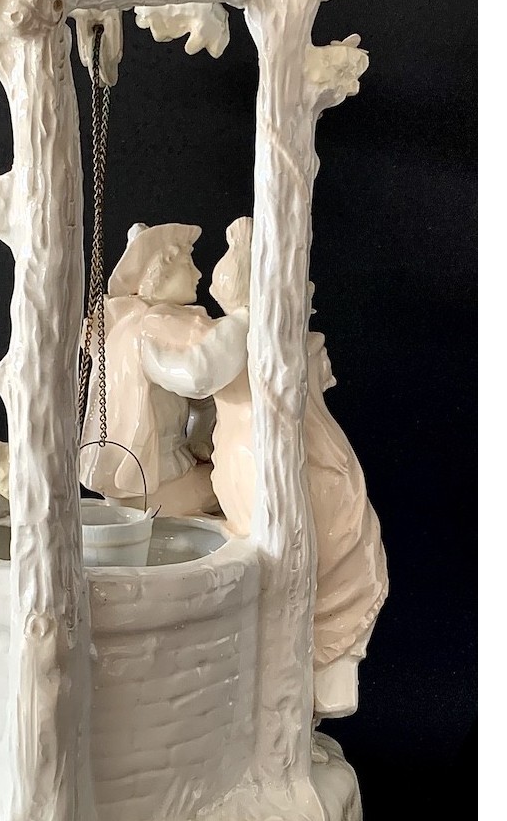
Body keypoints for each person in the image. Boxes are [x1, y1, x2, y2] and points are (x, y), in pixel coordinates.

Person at [141, 217, 388, 717]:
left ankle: (297, 695)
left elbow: (197, 379)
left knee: (304, 563)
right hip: (267, 461)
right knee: (311, 563)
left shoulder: (247, 328)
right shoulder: (259, 330)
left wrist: (150, 349)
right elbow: (204, 389)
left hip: (265, 461)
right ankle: (298, 690)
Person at [78, 223, 219, 516]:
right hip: (151, 481)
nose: (198, 274)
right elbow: (196, 378)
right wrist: (239, 326)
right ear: (159, 273)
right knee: (233, 484)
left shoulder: (130, 321)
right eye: (187, 264)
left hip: (149, 471)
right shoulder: (152, 326)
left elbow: (198, 398)